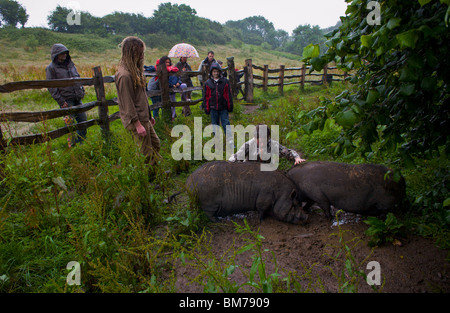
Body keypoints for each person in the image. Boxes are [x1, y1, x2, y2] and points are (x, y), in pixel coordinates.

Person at [115, 36, 161, 174]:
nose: (142, 56)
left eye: (142, 53)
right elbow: (127, 103)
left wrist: (149, 115)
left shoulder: (135, 70)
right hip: (136, 119)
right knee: (145, 153)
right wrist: (137, 124)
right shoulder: (124, 75)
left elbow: (141, 97)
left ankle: (155, 173)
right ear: (131, 53)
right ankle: (149, 180)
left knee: (156, 144)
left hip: (143, 117)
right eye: (139, 53)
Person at [46, 43, 86, 147]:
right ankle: (72, 145)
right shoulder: (51, 68)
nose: (64, 55)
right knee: (69, 124)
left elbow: (78, 78)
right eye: (61, 53)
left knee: (83, 120)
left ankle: (82, 142)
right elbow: (51, 87)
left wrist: (82, 90)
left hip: (77, 97)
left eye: (65, 53)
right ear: (56, 54)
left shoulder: (71, 65)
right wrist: (61, 101)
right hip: (66, 100)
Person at [229, 124, 306, 165]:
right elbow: (234, 158)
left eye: (264, 141)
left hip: (267, 172)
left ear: (268, 138)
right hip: (250, 172)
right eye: (259, 142)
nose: (262, 144)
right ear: (254, 137)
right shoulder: (248, 145)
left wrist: (296, 158)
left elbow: (287, 152)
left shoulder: (272, 144)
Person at [203, 62, 233, 146]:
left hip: (223, 107)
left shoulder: (225, 82)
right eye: (214, 72)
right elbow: (206, 96)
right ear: (211, 73)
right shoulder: (208, 83)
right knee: (215, 125)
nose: (215, 73)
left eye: (217, 71)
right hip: (213, 108)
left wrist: (230, 105)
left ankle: (230, 141)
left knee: (226, 124)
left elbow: (228, 94)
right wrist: (206, 107)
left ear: (220, 72)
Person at [158, 56, 187, 121]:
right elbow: (164, 82)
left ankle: (184, 100)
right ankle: (171, 117)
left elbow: (178, 77)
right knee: (172, 102)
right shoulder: (162, 70)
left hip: (175, 86)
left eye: (168, 62)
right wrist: (172, 85)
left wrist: (178, 83)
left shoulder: (173, 69)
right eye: (166, 62)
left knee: (184, 86)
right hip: (168, 90)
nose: (168, 64)